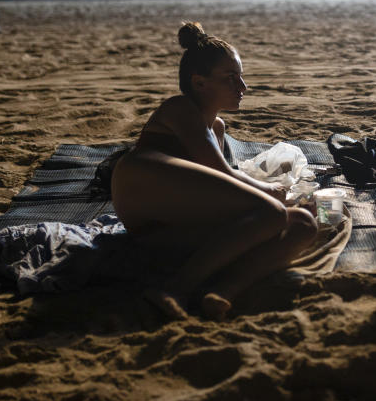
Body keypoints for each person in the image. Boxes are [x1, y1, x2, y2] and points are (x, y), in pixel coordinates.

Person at [111, 21, 317, 321]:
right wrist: (272, 193)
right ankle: (175, 288)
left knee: (303, 224)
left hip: (183, 223)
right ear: (199, 83)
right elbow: (220, 173)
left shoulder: (216, 127)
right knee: (272, 211)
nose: (242, 87)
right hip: (149, 224)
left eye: (241, 77)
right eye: (231, 78)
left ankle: (223, 290)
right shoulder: (179, 110)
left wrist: (284, 201)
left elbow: (224, 188)